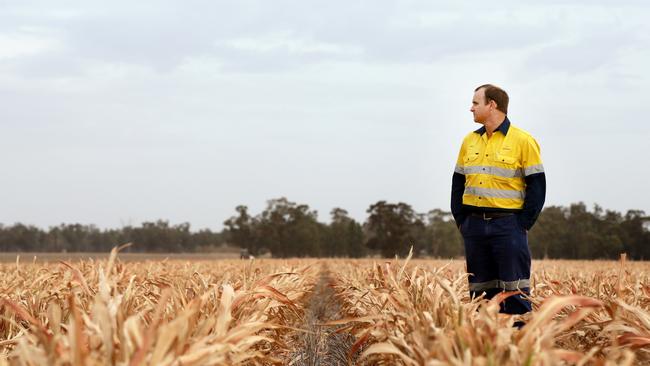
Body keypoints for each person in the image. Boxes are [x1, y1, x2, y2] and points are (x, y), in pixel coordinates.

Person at [451, 84, 546, 316]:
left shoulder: (524, 141)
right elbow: (457, 183)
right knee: (480, 296)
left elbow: (537, 187)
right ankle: (484, 348)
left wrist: (521, 224)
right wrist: (462, 221)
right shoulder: (469, 141)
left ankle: (519, 348)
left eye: (475, 103)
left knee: (514, 292)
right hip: (473, 227)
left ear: (492, 105)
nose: (471, 108)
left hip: (508, 226)